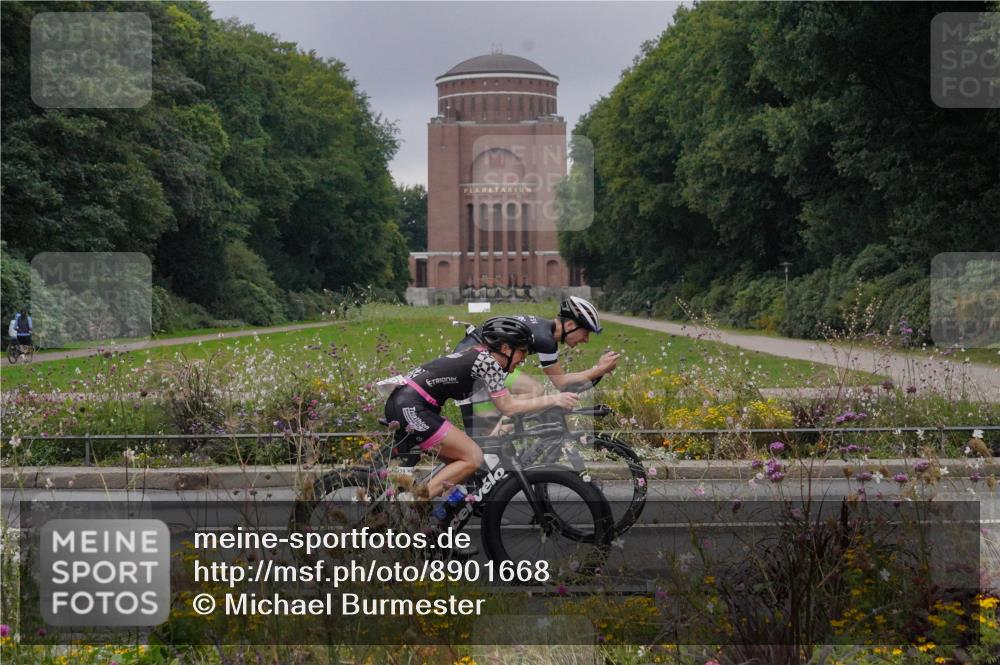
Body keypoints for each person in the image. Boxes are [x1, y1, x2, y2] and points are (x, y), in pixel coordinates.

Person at [382, 316, 580, 500]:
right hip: (412, 406)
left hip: (406, 402)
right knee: (473, 457)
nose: (524, 358)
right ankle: (416, 501)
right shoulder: (489, 364)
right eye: (522, 351)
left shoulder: (481, 357)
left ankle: (437, 513)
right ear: (505, 348)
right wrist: (554, 400)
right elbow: (509, 407)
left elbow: (501, 406)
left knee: (461, 467)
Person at [454, 296, 620, 435]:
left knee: (528, 395)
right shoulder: (545, 338)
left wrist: (597, 371)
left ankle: (497, 436)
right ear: (570, 325)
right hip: (476, 363)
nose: (586, 339)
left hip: (479, 360)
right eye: (586, 332)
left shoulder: (543, 331)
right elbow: (561, 382)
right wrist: (599, 369)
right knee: (533, 391)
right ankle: (497, 438)